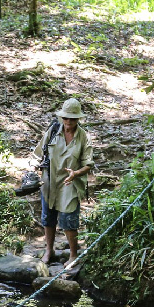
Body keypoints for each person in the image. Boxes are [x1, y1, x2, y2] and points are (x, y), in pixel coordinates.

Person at [33, 98, 95, 270]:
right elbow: (38, 154)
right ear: (62, 118)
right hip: (50, 180)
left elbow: (89, 164)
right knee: (48, 216)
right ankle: (49, 250)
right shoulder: (53, 131)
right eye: (66, 118)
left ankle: (74, 255)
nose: (68, 122)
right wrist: (34, 167)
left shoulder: (83, 137)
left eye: (72, 119)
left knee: (69, 220)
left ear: (78, 120)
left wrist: (76, 173)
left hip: (70, 182)